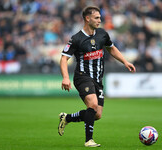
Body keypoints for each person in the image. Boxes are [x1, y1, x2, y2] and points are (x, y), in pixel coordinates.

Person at [58, 6, 136, 147]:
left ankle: (67, 118)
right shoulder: (76, 39)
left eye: (100, 17)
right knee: (92, 104)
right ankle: (89, 140)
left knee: (96, 114)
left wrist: (125, 61)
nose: (100, 20)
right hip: (82, 77)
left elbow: (111, 48)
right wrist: (65, 77)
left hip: (98, 79)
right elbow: (64, 58)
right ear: (87, 19)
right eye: (97, 18)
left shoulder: (102, 34)